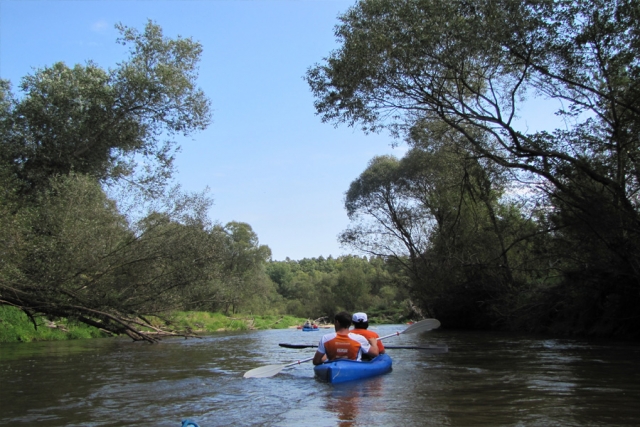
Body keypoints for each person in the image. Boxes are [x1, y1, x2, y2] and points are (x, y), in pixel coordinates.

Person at [312, 311, 379, 365]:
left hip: (333, 367)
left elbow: (316, 361)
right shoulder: (359, 339)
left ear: (337, 322)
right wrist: (374, 343)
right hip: (354, 368)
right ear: (350, 324)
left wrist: (325, 357)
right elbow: (375, 353)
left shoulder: (325, 338)